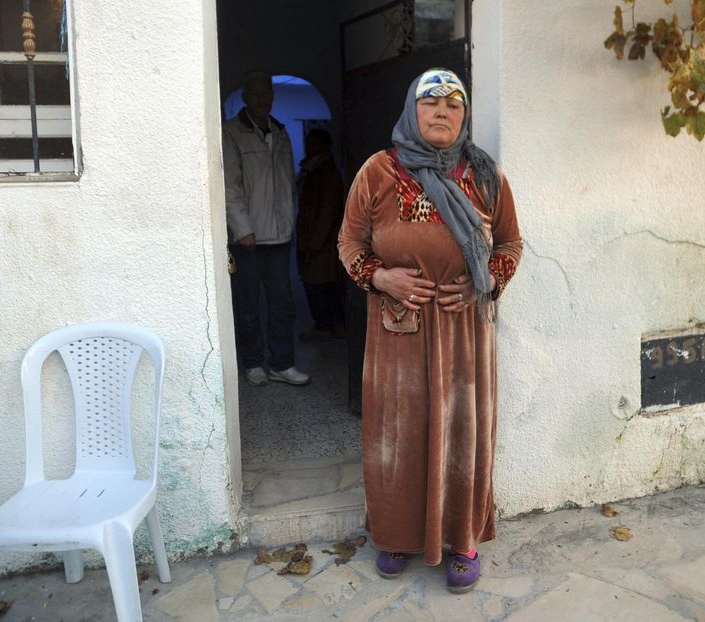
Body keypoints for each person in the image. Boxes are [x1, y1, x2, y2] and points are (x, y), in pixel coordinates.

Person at [337, 68, 523, 593]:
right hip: (399, 332)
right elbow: (349, 244)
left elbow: (510, 245)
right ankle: (397, 535)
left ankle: (462, 540)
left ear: (464, 116)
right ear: (411, 111)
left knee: (463, 432)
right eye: (430, 101)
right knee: (399, 434)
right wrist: (381, 277)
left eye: (454, 103)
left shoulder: (486, 176)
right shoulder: (377, 172)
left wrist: (484, 283)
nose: (442, 111)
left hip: (465, 331)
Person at [223, 71, 310, 387]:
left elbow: (287, 184)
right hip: (249, 237)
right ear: (246, 97)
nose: (263, 99)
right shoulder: (232, 132)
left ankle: (282, 363)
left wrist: (291, 223)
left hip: (279, 234)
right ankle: (253, 362)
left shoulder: (281, 132)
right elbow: (230, 185)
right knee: (248, 304)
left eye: (267, 94)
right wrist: (242, 228)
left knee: (282, 304)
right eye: (256, 94)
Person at [296, 128, 347, 340]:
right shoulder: (313, 170)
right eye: (308, 143)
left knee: (318, 285)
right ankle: (335, 325)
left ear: (325, 146)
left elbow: (328, 210)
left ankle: (326, 327)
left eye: (314, 144)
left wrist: (314, 244)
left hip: (321, 243)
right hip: (316, 240)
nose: (309, 148)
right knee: (326, 285)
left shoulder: (326, 171)